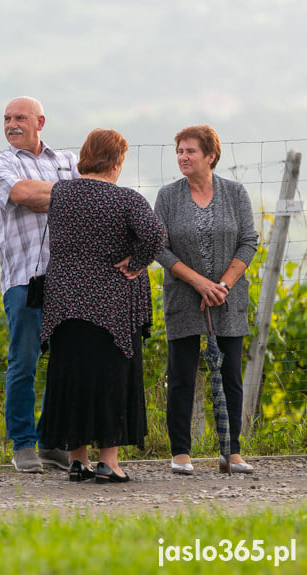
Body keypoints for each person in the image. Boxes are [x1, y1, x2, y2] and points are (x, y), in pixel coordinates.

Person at [37, 129, 165, 483]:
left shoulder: (61, 193)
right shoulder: (127, 199)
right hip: (110, 304)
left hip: (63, 301)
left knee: (73, 376)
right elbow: (155, 234)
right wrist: (136, 262)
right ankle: (109, 461)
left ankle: (77, 459)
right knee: (111, 378)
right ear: (117, 162)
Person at [154, 125, 258, 475]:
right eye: (179, 152)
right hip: (184, 295)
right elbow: (159, 247)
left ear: (210, 156)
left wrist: (223, 285)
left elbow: (249, 241)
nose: (183, 157)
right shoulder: (168, 196)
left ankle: (232, 452)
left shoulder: (234, 192)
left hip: (228, 298)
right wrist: (199, 283)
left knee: (230, 374)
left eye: (190, 152)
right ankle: (180, 453)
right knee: (181, 374)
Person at [0, 97, 78, 473]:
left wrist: (47, 197)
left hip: (70, 278)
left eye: (19, 118)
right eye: (6, 118)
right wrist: (63, 195)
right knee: (24, 361)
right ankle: (23, 444)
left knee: (65, 364)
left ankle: (52, 441)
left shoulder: (68, 159)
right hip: (24, 277)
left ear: (40, 121)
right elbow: (21, 195)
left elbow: (75, 200)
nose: (11, 124)